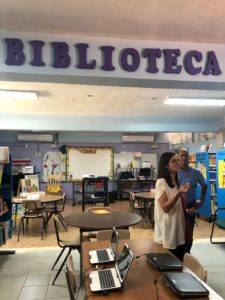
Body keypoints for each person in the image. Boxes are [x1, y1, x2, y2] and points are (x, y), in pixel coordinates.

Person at [154, 152, 190, 261]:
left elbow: (177, 205)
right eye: (174, 161)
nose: (178, 163)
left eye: (178, 161)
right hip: (169, 232)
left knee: (179, 262)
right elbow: (165, 207)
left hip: (178, 229)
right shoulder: (161, 182)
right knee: (170, 264)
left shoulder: (175, 181)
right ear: (166, 165)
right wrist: (178, 194)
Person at [178, 148, 207, 253]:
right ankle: (179, 254)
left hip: (191, 206)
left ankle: (187, 254)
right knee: (178, 231)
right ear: (178, 157)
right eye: (182, 155)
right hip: (177, 206)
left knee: (189, 233)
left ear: (189, 158)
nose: (184, 158)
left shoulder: (196, 172)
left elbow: (204, 185)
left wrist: (202, 201)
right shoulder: (174, 172)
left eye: (186, 155)